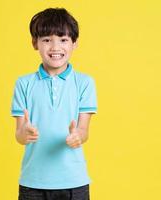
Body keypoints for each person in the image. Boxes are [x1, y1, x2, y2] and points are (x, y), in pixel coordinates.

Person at [11, 7, 97, 200]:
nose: (55, 47)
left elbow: (84, 130)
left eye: (63, 40)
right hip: (32, 183)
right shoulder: (23, 84)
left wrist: (78, 136)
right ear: (35, 43)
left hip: (74, 183)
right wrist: (24, 133)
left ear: (74, 43)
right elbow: (19, 134)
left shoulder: (85, 83)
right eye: (46, 40)